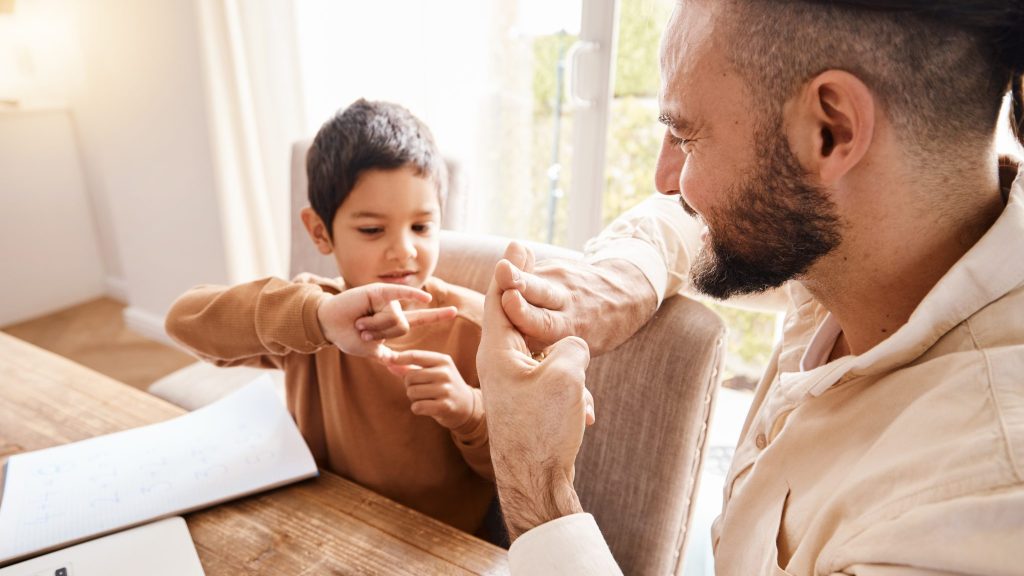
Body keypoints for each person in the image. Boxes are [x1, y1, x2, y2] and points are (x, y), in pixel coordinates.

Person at [478, 0, 1024, 573]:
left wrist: (538, 486)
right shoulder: (877, 239)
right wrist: (626, 278)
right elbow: (692, 217)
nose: (666, 180)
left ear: (831, 131)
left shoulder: (974, 502)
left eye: (687, 137)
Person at [166, 99, 499, 539]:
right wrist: (318, 319)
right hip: (321, 529)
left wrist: (469, 412)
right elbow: (183, 321)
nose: (404, 251)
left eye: (421, 227)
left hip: (434, 546)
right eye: (372, 230)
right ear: (320, 232)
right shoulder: (307, 312)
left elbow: (516, 471)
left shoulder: (474, 327)